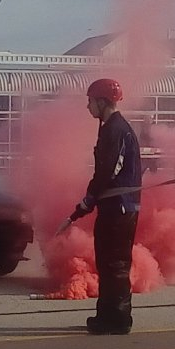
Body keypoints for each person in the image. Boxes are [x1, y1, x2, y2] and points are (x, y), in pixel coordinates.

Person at [65, 78, 141, 335]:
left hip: (119, 208)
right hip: (113, 207)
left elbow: (107, 172)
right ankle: (106, 315)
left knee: (116, 264)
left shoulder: (115, 130)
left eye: (90, 101)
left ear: (102, 101)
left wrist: (88, 200)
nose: (88, 107)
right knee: (107, 262)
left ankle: (118, 318)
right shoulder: (109, 127)